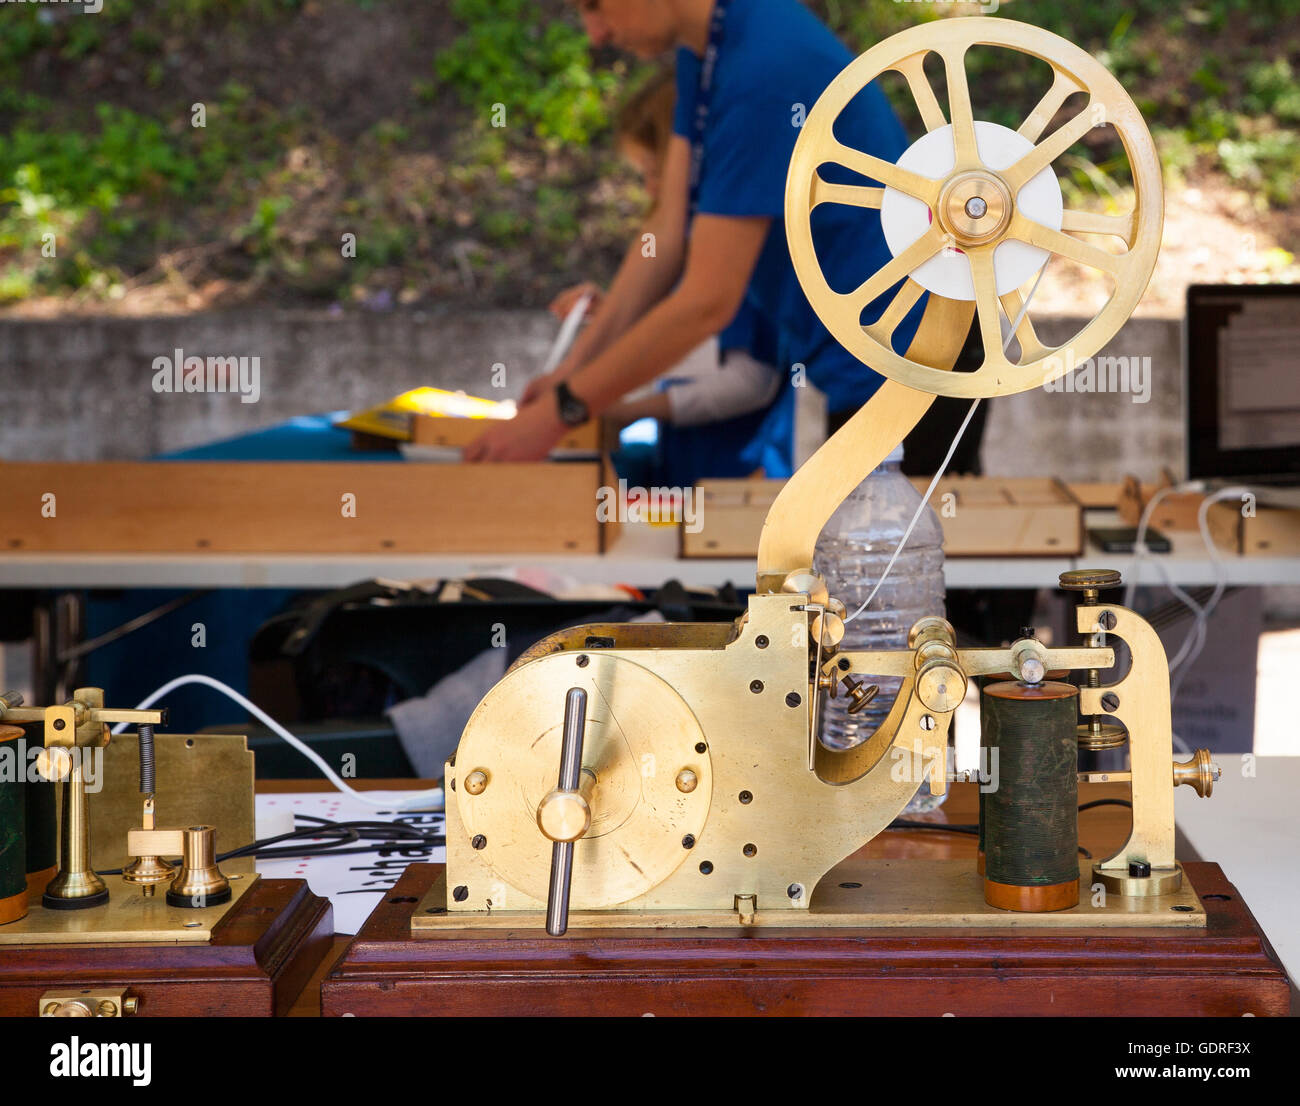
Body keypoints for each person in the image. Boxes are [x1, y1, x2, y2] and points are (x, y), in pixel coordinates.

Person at [465, 0, 926, 472]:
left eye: (594, 6)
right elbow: (666, 232)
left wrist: (561, 412)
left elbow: (708, 301)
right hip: (859, 359)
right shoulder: (706, 51)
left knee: (897, 541)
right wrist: (572, 373)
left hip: (914, 359)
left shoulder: (761, 66)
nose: (595, 34)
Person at [547, 64, 782, 482]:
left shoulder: (739, 250)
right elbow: (689, 345)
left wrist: (621, 409)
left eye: (656, 174)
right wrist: (612, 316)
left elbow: (749, 380)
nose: (652, 192)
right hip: (687, 470)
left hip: (738, 478)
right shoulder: (686, 247)